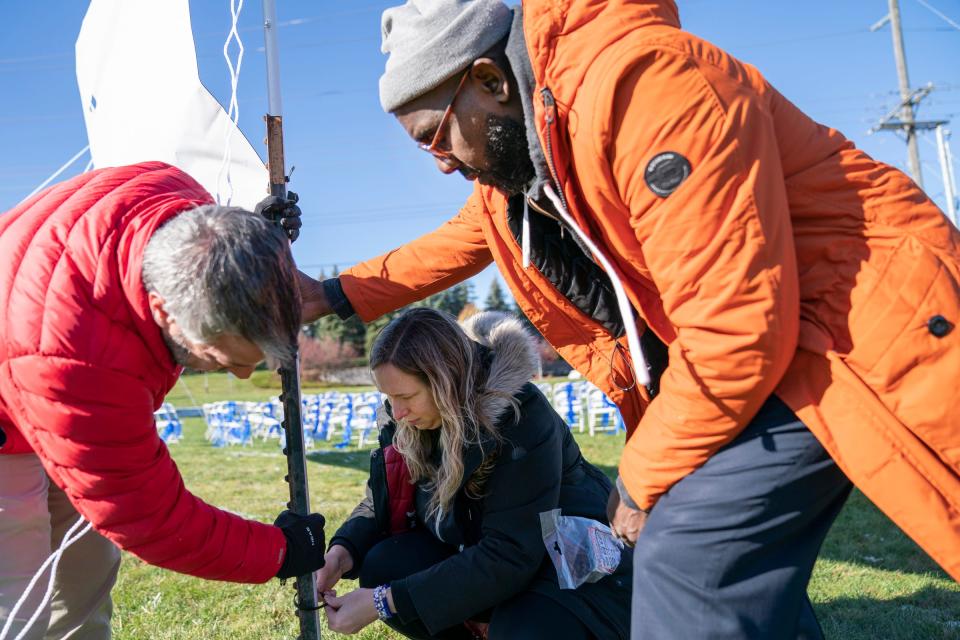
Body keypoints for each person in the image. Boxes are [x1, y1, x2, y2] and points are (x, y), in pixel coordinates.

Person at [298, 0, 960, 637]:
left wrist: (640, 477)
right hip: (780, 353)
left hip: (857, 328)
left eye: (436, 136)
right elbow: (436, 254)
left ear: (490, 80)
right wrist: (325, 296)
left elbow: (735, 326)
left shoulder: (644, 85)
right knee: (710, 564)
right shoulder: (525, 177)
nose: (440, 162)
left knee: (686, 559)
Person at [0, 161, 325, 640]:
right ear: (164, 313)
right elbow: (148, 516)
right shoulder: (79, 361)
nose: (241, 374)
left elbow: (216, 246)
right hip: (18, 405)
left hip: (45, 356)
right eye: (221, 357)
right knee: (16, 591)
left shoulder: (173, 194)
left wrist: (257, 242)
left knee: (86, 566)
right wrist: (278, 551)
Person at [318, 308, 631, 639]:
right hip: (481, 550)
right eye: (389, 397)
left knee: (523, 631)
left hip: (565, 562)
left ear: (445, 381)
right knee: (385, 565)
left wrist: (385, 602)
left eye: (406, 396)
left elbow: (512, 553)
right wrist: (341, 553)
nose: (397, 412)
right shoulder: (407, 420)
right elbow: (381, 500)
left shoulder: (519, 414)